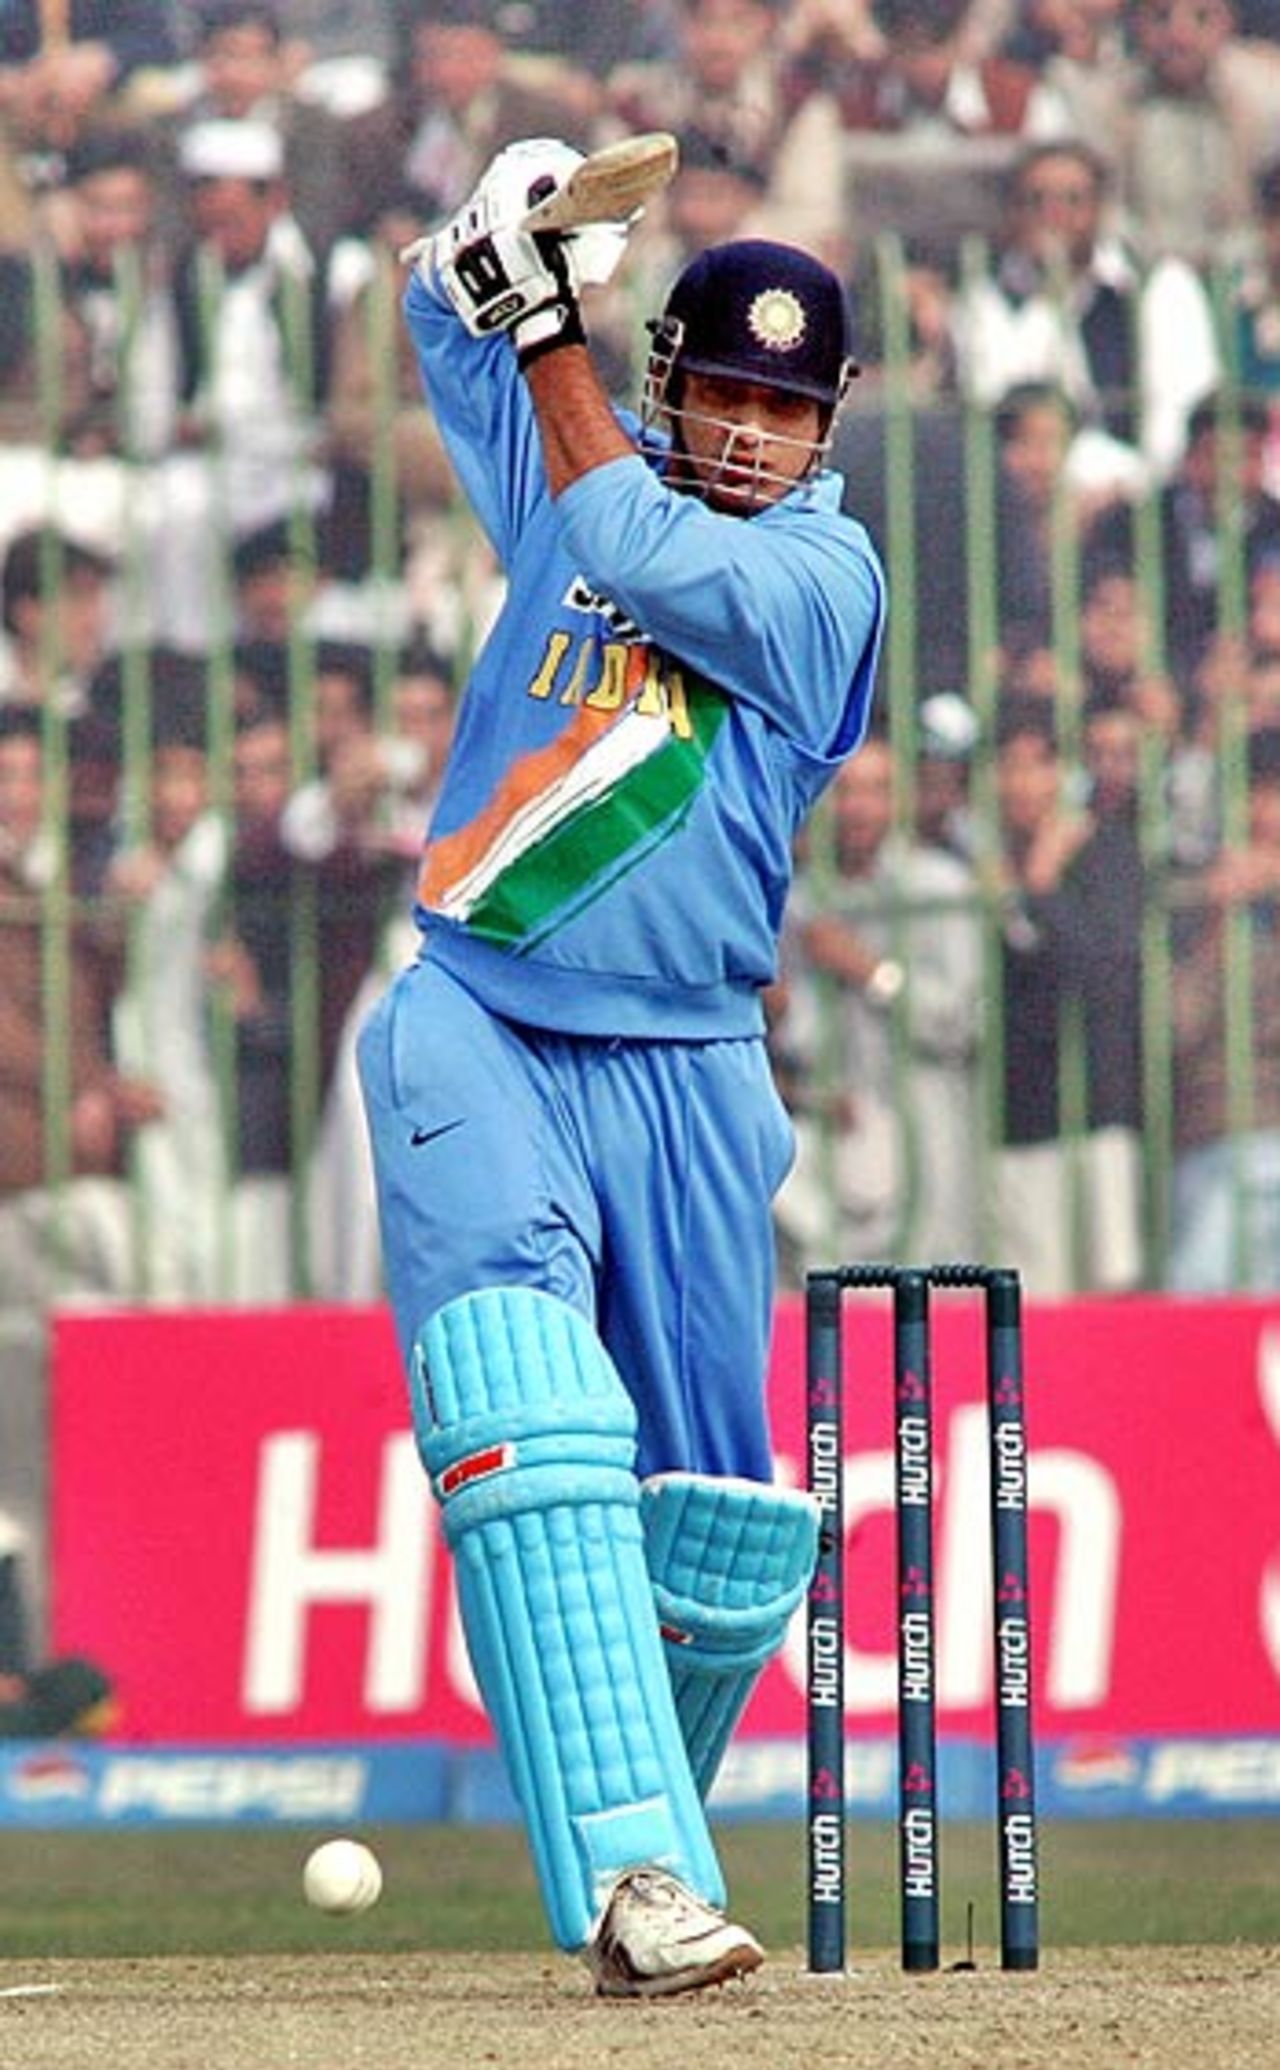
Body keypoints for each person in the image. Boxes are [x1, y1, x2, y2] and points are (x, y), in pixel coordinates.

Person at [356, 142, 884, 1996]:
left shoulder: (827, 580)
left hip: (691, 1075)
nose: (747, 433)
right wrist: (502, 237)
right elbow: (443, 323)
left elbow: (635, 548)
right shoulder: (579, 459)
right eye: (723, 391)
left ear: (828, 426)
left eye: (783, 405)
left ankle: (632, 1830)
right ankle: (642, 1878)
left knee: (724, 1534)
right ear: (671, 379)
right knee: (530, 1405)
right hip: (479, 1016)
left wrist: (552, 325)